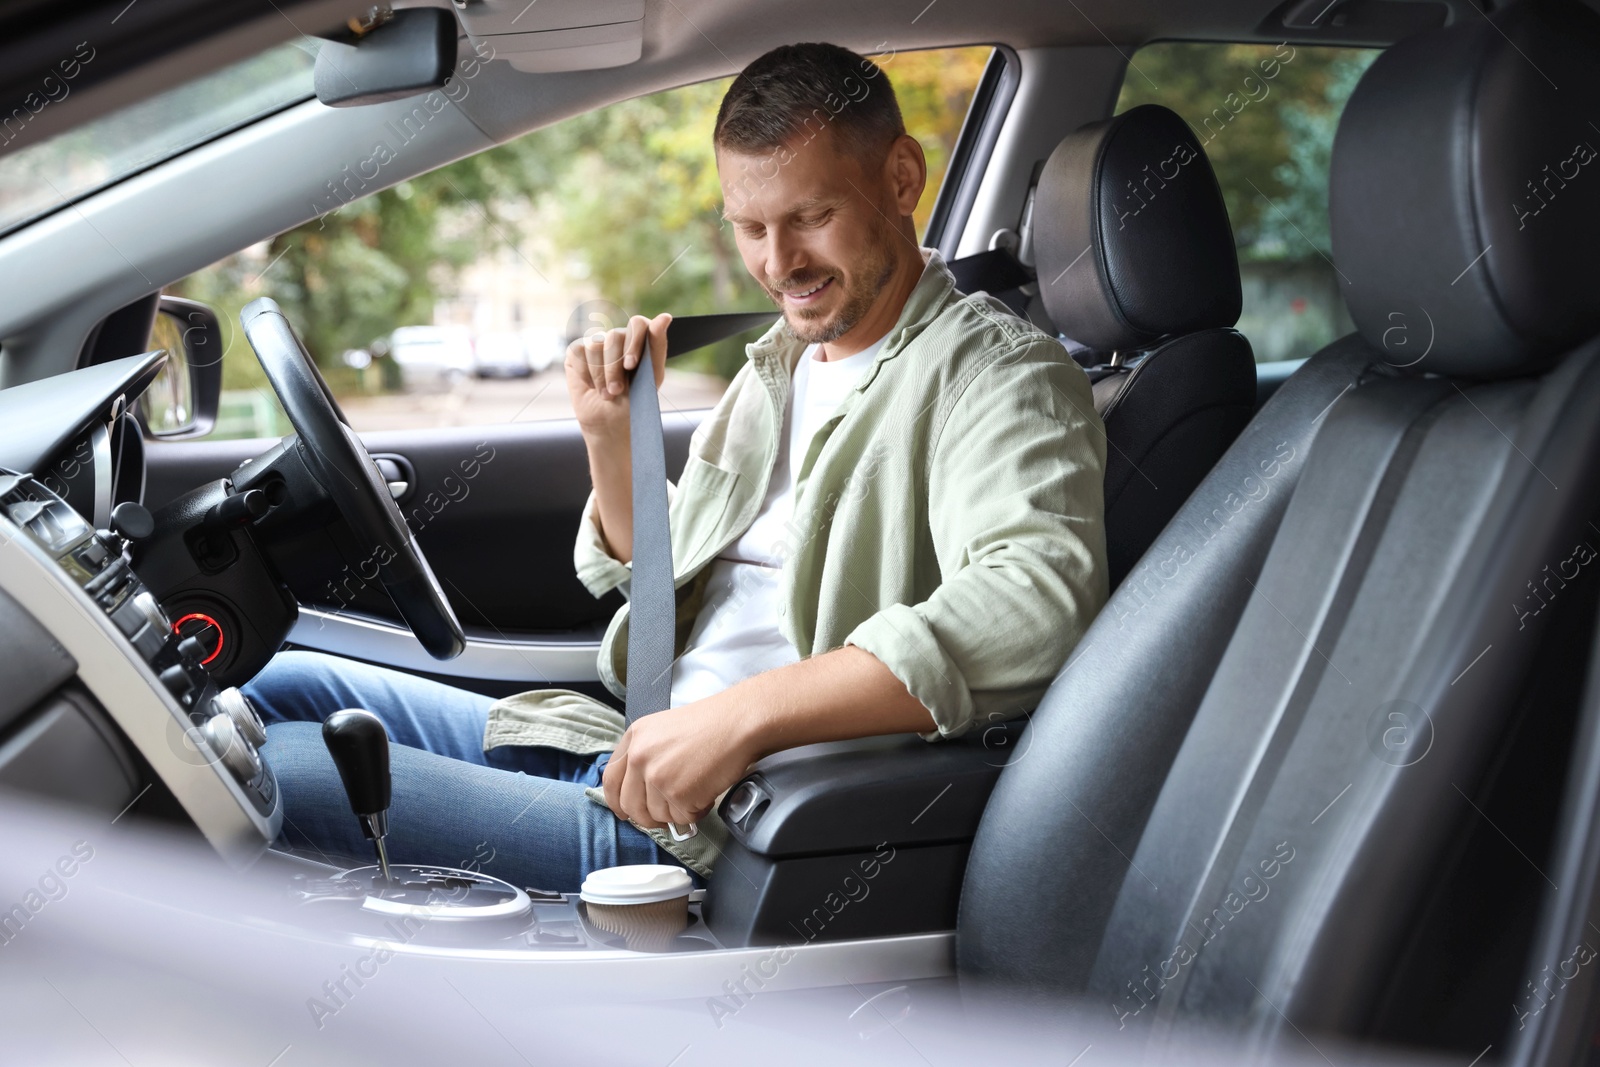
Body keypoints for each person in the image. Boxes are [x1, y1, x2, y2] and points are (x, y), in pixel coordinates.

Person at [250, 41, 1110, 891]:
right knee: (271, 683)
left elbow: (1034, 604)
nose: (779, 264)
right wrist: (611, 439)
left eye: (811, 217)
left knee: (281, 772)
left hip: (727, 832)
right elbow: (666, 588)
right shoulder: (774, 367)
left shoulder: (1000, 376)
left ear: (899, 178)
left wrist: (741, 718)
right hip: (626, 747)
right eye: (749, 227)